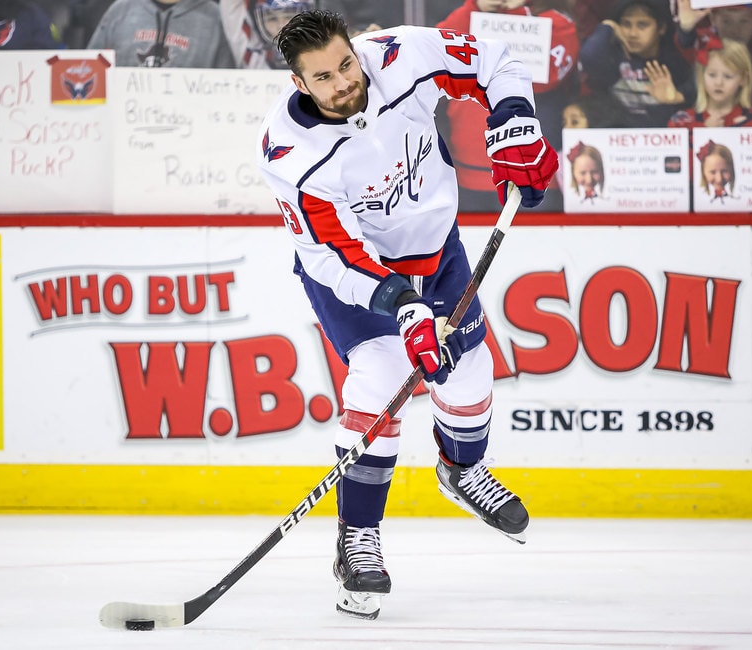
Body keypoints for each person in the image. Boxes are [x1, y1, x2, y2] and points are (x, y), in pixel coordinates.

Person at [256, 9, 556, 620]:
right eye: (324, 77)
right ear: (299, 85)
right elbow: (335, 255)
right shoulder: (289, 154)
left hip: (435, 247)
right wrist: (403, 307)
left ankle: (461, 470)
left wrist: (516, 123)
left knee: (469, 375)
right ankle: (356, 538)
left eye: (345, 63)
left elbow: (495, 61)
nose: (344, 81)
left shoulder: (398, 55)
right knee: (381, 377)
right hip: (356, 279)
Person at [436, 0, 578, 212]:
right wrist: (475, 9)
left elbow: (546, 78)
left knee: (534, 244)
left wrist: (516, 13)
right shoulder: (467, 16)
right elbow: (436, 54)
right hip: (467, 167)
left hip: (528, 167)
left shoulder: (555, 20)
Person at [579, 0, 695, 127]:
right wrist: (607, 27)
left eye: (642, 25)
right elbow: (588, 57)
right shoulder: (613, 56)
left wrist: (678, 96)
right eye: (626, 24)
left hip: (665, 140)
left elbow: (699, 90)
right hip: (617, 139)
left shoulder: (673, 59)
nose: (632, 34)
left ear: (661, 28)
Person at [87, 0, 234, 68]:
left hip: (190, 125)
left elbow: (227, 89)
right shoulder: (119, 11)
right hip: (121, 123)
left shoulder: (216, 19)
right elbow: (88, 69)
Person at [666, 36, 752, 128]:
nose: (719, 83)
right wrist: (704, 131)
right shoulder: (681, 121)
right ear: (702, 75)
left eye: (728, 76)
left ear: (743, 79)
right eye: (712, 75)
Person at [220, 0, 312, 69]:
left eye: (288, 17)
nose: (281, 26)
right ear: (258, 21)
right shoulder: (253, 58)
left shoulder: (318, 51)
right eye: (272, 18)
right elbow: (231, 6)